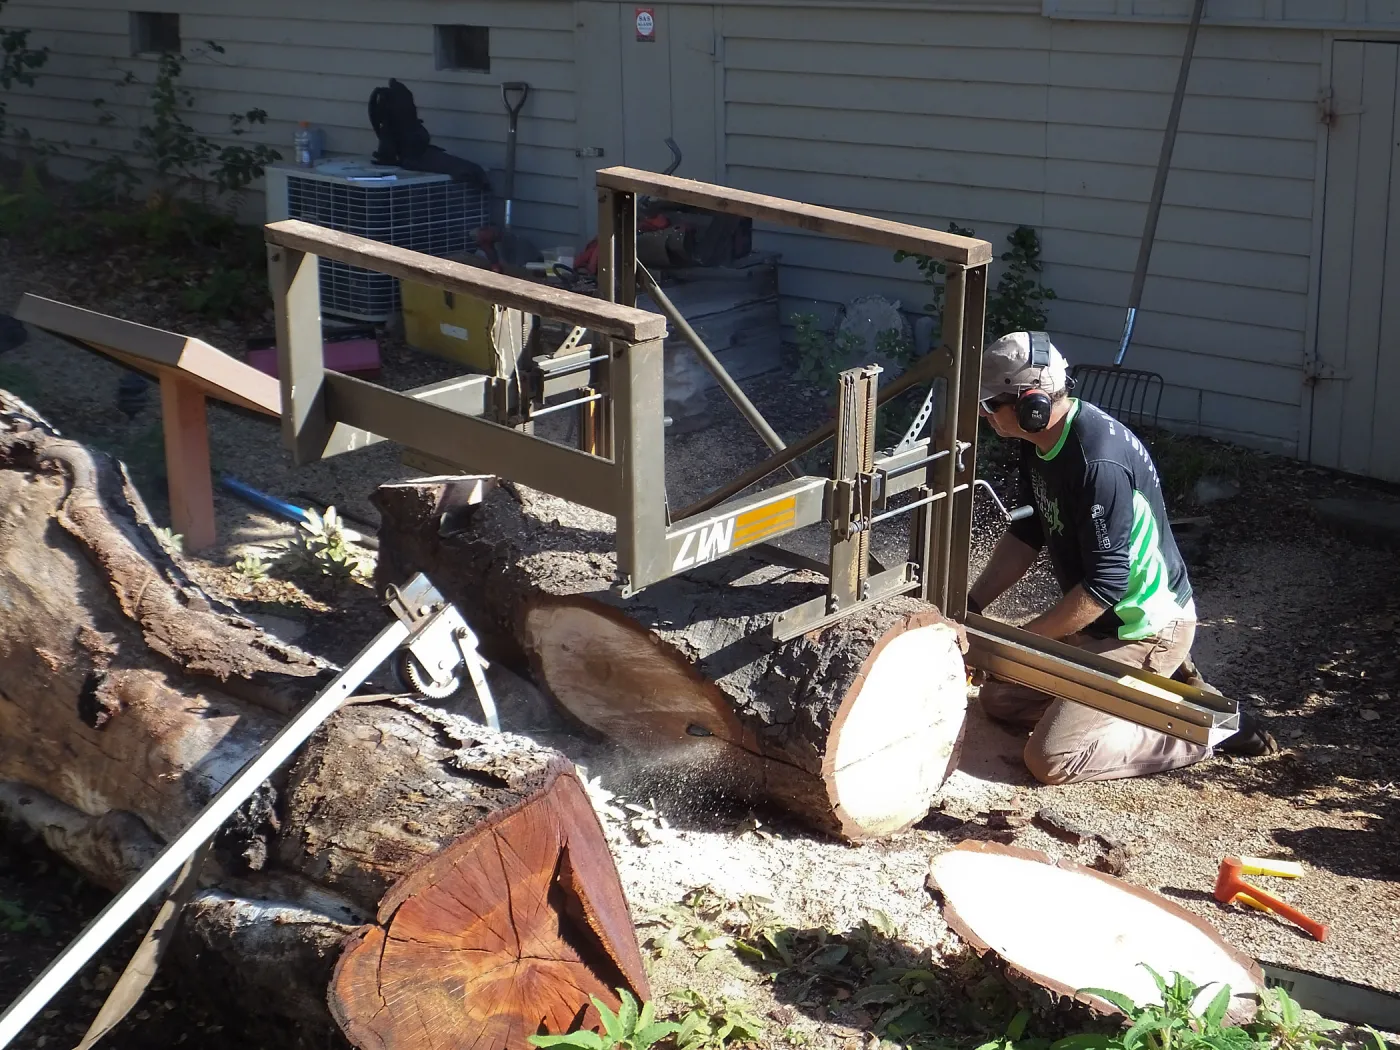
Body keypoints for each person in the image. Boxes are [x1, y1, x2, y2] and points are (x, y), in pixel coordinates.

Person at [966, 331, 1275, 784]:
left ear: (1032, 405)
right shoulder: (1041, 443)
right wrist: (973, 605)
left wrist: (1020, 642)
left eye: (991, 405)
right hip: (1099, 626)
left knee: (1051, 759)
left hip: (1144, 628)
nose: (984, 415)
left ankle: (1203, 729)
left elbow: (1104, 586)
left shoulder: (1097, 464)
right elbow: (1029, 531)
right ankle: (1144, 694)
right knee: (1000, 699)